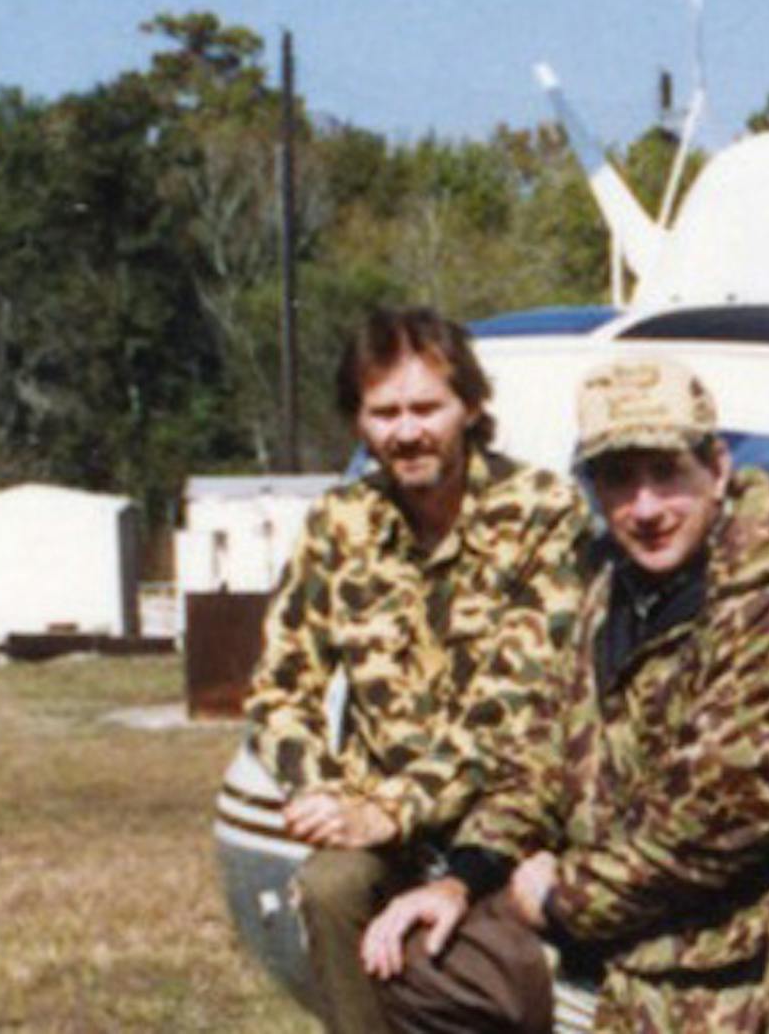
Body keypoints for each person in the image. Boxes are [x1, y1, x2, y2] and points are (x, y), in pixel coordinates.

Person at [361, 353, 769, 1033]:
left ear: (718, 468)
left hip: (726, 971)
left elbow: (706, 829)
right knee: (416, 959)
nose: (645, 509)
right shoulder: (609, 592)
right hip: (613, 942)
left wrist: (557, 901)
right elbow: (542, 757)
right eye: (618, 478)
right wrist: (463, 875)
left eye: (667, 474)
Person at [244, 306, 588, 1034]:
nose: (407, 432)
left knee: (513, 985)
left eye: (427, 407)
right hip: (379, 832)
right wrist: (320, 793)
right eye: (384, 412)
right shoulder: (341, 525)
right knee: (330, 888)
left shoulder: (540, 514)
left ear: (470, 406)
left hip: (507, 819)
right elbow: (281, 685)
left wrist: (392, 807)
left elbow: (511, 710)